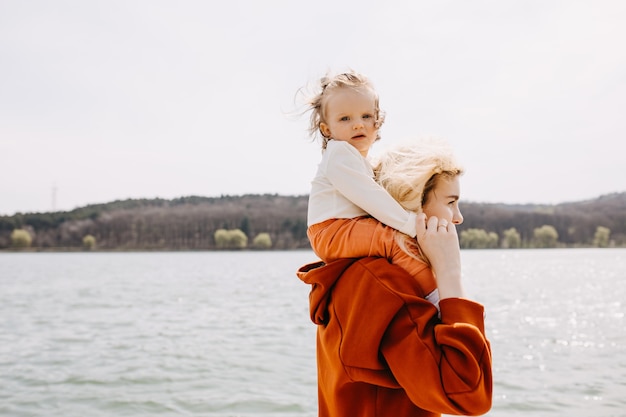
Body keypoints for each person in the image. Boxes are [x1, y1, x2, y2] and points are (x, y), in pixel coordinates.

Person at [297, 138, 493, 417]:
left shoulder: (363, 275)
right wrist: (450, 274)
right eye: (450, 202)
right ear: (412, 204)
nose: (458, 217)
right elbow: (470, 394)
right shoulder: (386, 286)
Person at [302, 71, 440, 306]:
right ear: (327, 130)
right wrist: (410, 224)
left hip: (341, 228)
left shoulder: (357, 160)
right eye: (345, 119)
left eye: (366, 116)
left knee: (395, 242)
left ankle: (419, 290)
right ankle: (436, 299)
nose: (358, 124)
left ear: (378, 122)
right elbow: (371, 198)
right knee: (394, 240)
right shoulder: (339, 154)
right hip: (332, 230)